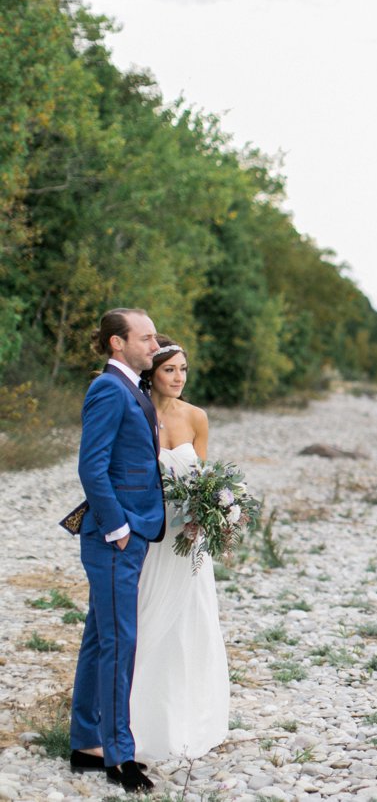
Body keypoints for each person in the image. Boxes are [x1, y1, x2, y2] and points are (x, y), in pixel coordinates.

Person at [70, 308, 162, 793]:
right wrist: (117, 527)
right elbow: (92, 466)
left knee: (98, 638)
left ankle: (85, 743)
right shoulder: (108, 388)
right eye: (145, 338)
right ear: (116, 343)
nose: (155, 345)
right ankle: (118, 757)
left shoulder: (133, 387)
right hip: (116, 537)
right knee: (119, 641)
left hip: (135, 529)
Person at [130, 337, 229, 762]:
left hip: (188, 536)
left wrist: (207, 515)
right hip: (152, 533)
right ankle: (137, 721)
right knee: (147, 616)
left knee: (191, 623)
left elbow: (204, 480)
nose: (178, 378)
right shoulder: (137, 413)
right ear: (151, 372)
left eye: (184, 370)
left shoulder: (197, 417)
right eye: (170, 369)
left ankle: (191, 718)